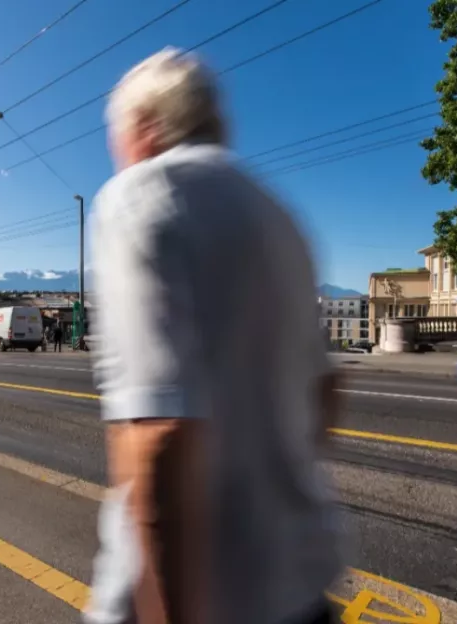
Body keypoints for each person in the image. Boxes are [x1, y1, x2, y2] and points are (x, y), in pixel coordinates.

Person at [85, 47, 344, 624]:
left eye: (115, 138)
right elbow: (326, 395)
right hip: (300, 591)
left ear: (146, 128)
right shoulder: (281, 218)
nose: (117, 156)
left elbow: (159, 433)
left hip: (199, 601)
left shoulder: (140, 197)